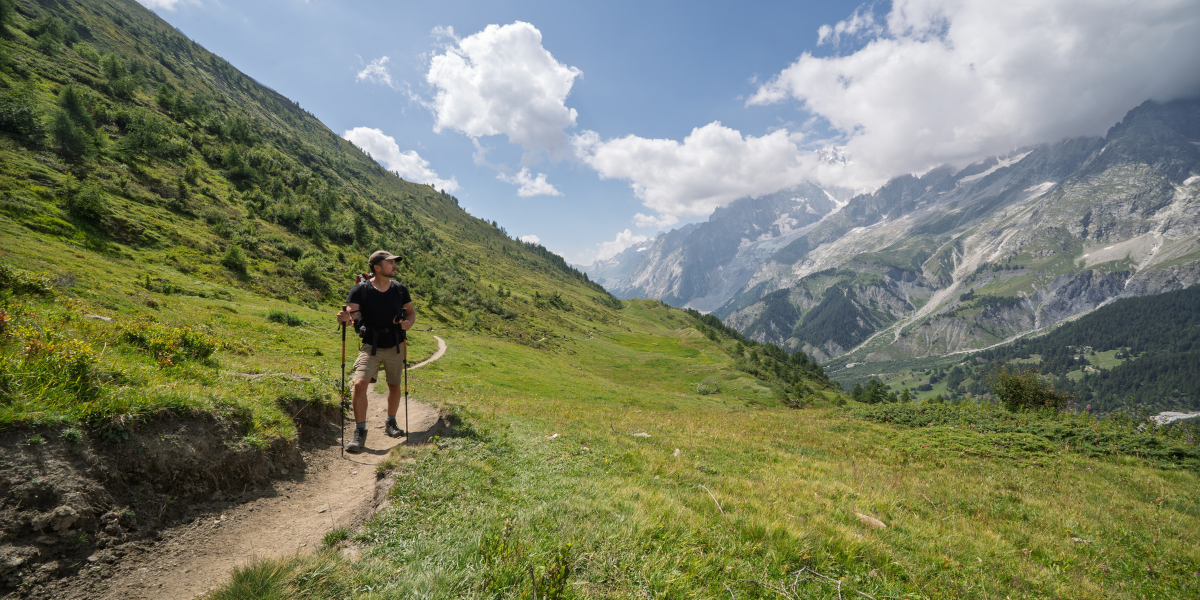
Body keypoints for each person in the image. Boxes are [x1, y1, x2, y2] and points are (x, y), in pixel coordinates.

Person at [335, 250, 416, 453]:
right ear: (377, 267)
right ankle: (360, 432)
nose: (395, 266)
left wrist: (409, 324)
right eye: (390, 263)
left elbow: (411, 312)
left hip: (395, 345)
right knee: (360, 383)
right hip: (370, 345)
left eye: (394, 263)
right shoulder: (360, 290)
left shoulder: (400, 290)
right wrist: (344, 318)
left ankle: (390, 422)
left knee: (394, 385)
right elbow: (351, 314)